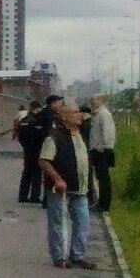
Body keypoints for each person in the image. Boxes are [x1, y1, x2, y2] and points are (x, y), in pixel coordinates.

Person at [40, 102, 96, 269]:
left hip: (81, 187)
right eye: (75, 112)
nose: (79, 115)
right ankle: (59, 257)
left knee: (83, 222)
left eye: (79, 112)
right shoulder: (54, 137)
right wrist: (57, 179)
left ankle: (77, 254)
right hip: (60, 189)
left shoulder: (81, 135)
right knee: (58, 222)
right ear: (64, 117)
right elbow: (44, 161)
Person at [87, 93, 117, 213]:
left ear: (101, 100)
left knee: (104, 179)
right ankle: (101, 203)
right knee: (100, 177)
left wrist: (107, 148)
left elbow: (108, 133)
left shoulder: (104, 114)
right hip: (97, 150)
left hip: (102, 151)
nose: (92, 102)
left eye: (94, 100)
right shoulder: (97, 114)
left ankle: (104, 205)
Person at [15, 101, 46, 204]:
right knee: (37, 174)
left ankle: (23, 195)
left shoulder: (23, 120)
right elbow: (39, 137)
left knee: (27, 173)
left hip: (27, 150)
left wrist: (26, 147)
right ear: (37, 109)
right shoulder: (35, 121)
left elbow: (20, 137)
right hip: (36, 150)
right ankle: (34, 196)